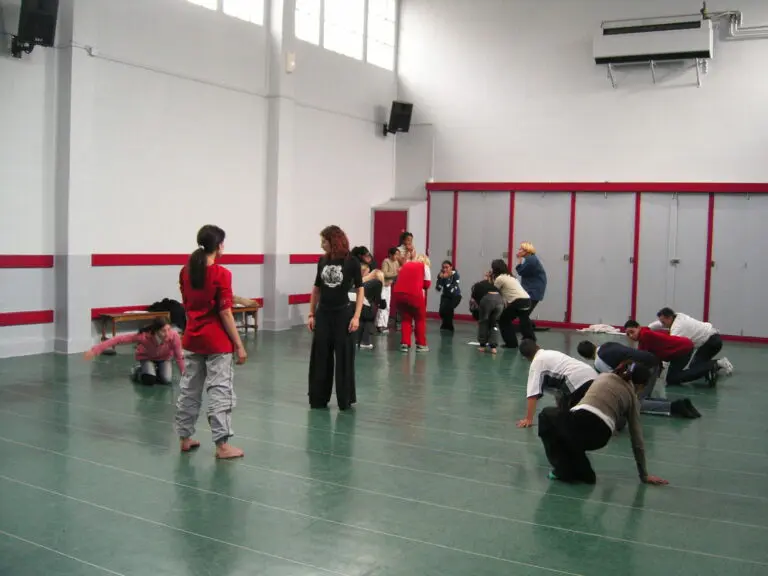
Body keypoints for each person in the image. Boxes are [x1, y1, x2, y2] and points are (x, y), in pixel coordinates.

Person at [175, 224, 246, 460]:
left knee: (189, 388)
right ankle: (222, 445)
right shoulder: (222, 274)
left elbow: (187, 304)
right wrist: (239, 344)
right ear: (218, 246)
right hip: (217, 342)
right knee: (220, 391)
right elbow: (225, 312)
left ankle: (184, 438)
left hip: (192, 338)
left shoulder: (185, 272)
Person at [538, 361, 668, 485]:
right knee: (570, 437)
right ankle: (586, 474)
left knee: (545, 416)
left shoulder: (603, 376)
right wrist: (644, 475)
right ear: (640, 385)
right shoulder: (632, 399)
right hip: (601, 436)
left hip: (582, 421)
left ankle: (562, 470)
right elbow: (637, 438)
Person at [308, 225, 364, 410]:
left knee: (344, 357)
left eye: (324, 241)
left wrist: (356, 316)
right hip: (323, 314)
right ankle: (318, 398)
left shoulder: (351, 262)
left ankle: (345, 398)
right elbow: (316, 289)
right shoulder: (322, 261)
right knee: (320, 356)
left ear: (333, 242)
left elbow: (360, 289)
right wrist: (311, 313)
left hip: (343, 315)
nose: (321, 245)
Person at [577, 340, 701, 419]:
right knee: (643, 397)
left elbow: (615, 379)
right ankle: (681, 403)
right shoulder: (607, 344)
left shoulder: (599, 362)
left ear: (586, 357)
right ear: (594, 344)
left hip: (644, 370)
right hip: (653, 362)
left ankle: (675, 407)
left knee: (636, 404)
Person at [517, 339, 597, 428]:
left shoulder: (536, 364)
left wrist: (528, 419)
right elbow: (558, 392)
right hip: (594, 377)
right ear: (538, 347)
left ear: (526, 357)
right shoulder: (551, 353)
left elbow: (532, 395)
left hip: (577, 381)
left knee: (567, 418)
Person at [84, 317, 185, 386]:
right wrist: (95, 350)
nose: (167, 333)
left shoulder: (174, 336)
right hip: (147, 358)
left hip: (164, 358)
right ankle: (137, 371)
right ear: (156, 331)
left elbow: (179, 357)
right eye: (163, 331)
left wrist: (185, 376)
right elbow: (119, 339)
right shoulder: (144, 337)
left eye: (169, 329)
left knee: (166, 380)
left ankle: (154, 371)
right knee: (149, 380)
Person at [624, 320, 719, 387]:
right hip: (679, 350)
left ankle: (709, 367)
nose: (631, 336)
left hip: (682, 349)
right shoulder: (645, 334)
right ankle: (707, 368)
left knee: (672, 378)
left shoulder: (645, 335)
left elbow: (642, 357)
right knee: (672, 378)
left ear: (638, 327)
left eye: (632, 332)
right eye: (628, 334)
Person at [649, 308, 733, 375]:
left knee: (695, 368)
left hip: (711, 343)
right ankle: (716, 366)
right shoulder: (678, 315)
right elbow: (658, 324)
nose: (662, 324)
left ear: (669, 317)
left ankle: (718, 363)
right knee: (698, 366)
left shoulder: (678, 328)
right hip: (713, 339)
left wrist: (662, 366)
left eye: (663, 322)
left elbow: (670, 348)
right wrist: (648, 328)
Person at [491, 259, 535, 348]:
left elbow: (493, 290)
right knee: (524, 320)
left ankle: (511, 343)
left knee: (504, 320)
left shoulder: (500, 278)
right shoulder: (511, 277)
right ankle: (531, 341)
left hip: (518, 301)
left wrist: (489, 279)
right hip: (527, 300)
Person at [393, 254, 431, 352]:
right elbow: (427, 285)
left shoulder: (406, 265)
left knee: (406, 318)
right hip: (415, 295)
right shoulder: (424, 266)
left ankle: (405, 343)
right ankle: (421, 344)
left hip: (399, 294)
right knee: (420, 319)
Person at [515, 242, 547, 327]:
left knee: (524, 313)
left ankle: (528, 329)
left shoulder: (530, 260)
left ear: (526, 251)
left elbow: (521, 271)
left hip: (533, 290)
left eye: (521, 249)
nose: (519, 250)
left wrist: (519, 261)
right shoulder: (531, 259)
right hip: (533, 289)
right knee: (524, 313)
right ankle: (530, 326)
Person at [470, 275, 503, 353]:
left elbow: (473, 300)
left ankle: (482, 346)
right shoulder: (493, 285)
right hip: (499, 301)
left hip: (487, 300)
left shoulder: (477, 285)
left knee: (483, 322)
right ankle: (493, 347)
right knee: (494, 323)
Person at [357, 261, 384, 349]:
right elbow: (377, 299)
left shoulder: (364, 280)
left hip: (352, 300)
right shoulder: (377, 282)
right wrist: (382, 304)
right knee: (369, 318)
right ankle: (365, 342)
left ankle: (357, 341)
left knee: (361, 320)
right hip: (362, 302)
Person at [377, 247, 401, 333]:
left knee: (387, 306)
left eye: (398, 254)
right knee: (383, 305)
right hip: (383, 286)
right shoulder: (386, 261)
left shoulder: (396, 262)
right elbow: (384, 273)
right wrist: (396, 273)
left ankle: (384, 324)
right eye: (396, 254)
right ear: (390, 254)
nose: (397, 256)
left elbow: (397, 274)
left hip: (389, 286)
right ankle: (379, 325)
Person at [435, 260, 462, 332]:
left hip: (455, 296)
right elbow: (438, 288)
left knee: (449, 310)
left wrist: (446, 279)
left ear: (451, 267)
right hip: (445, 296)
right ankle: (445, 326)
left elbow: (453, 289)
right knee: (442, 312)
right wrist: (440, 279)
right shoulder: (441, 275)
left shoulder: (456, 275)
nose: (445, 269)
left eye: (447, 267)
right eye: (443, 267)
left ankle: (449, 328)